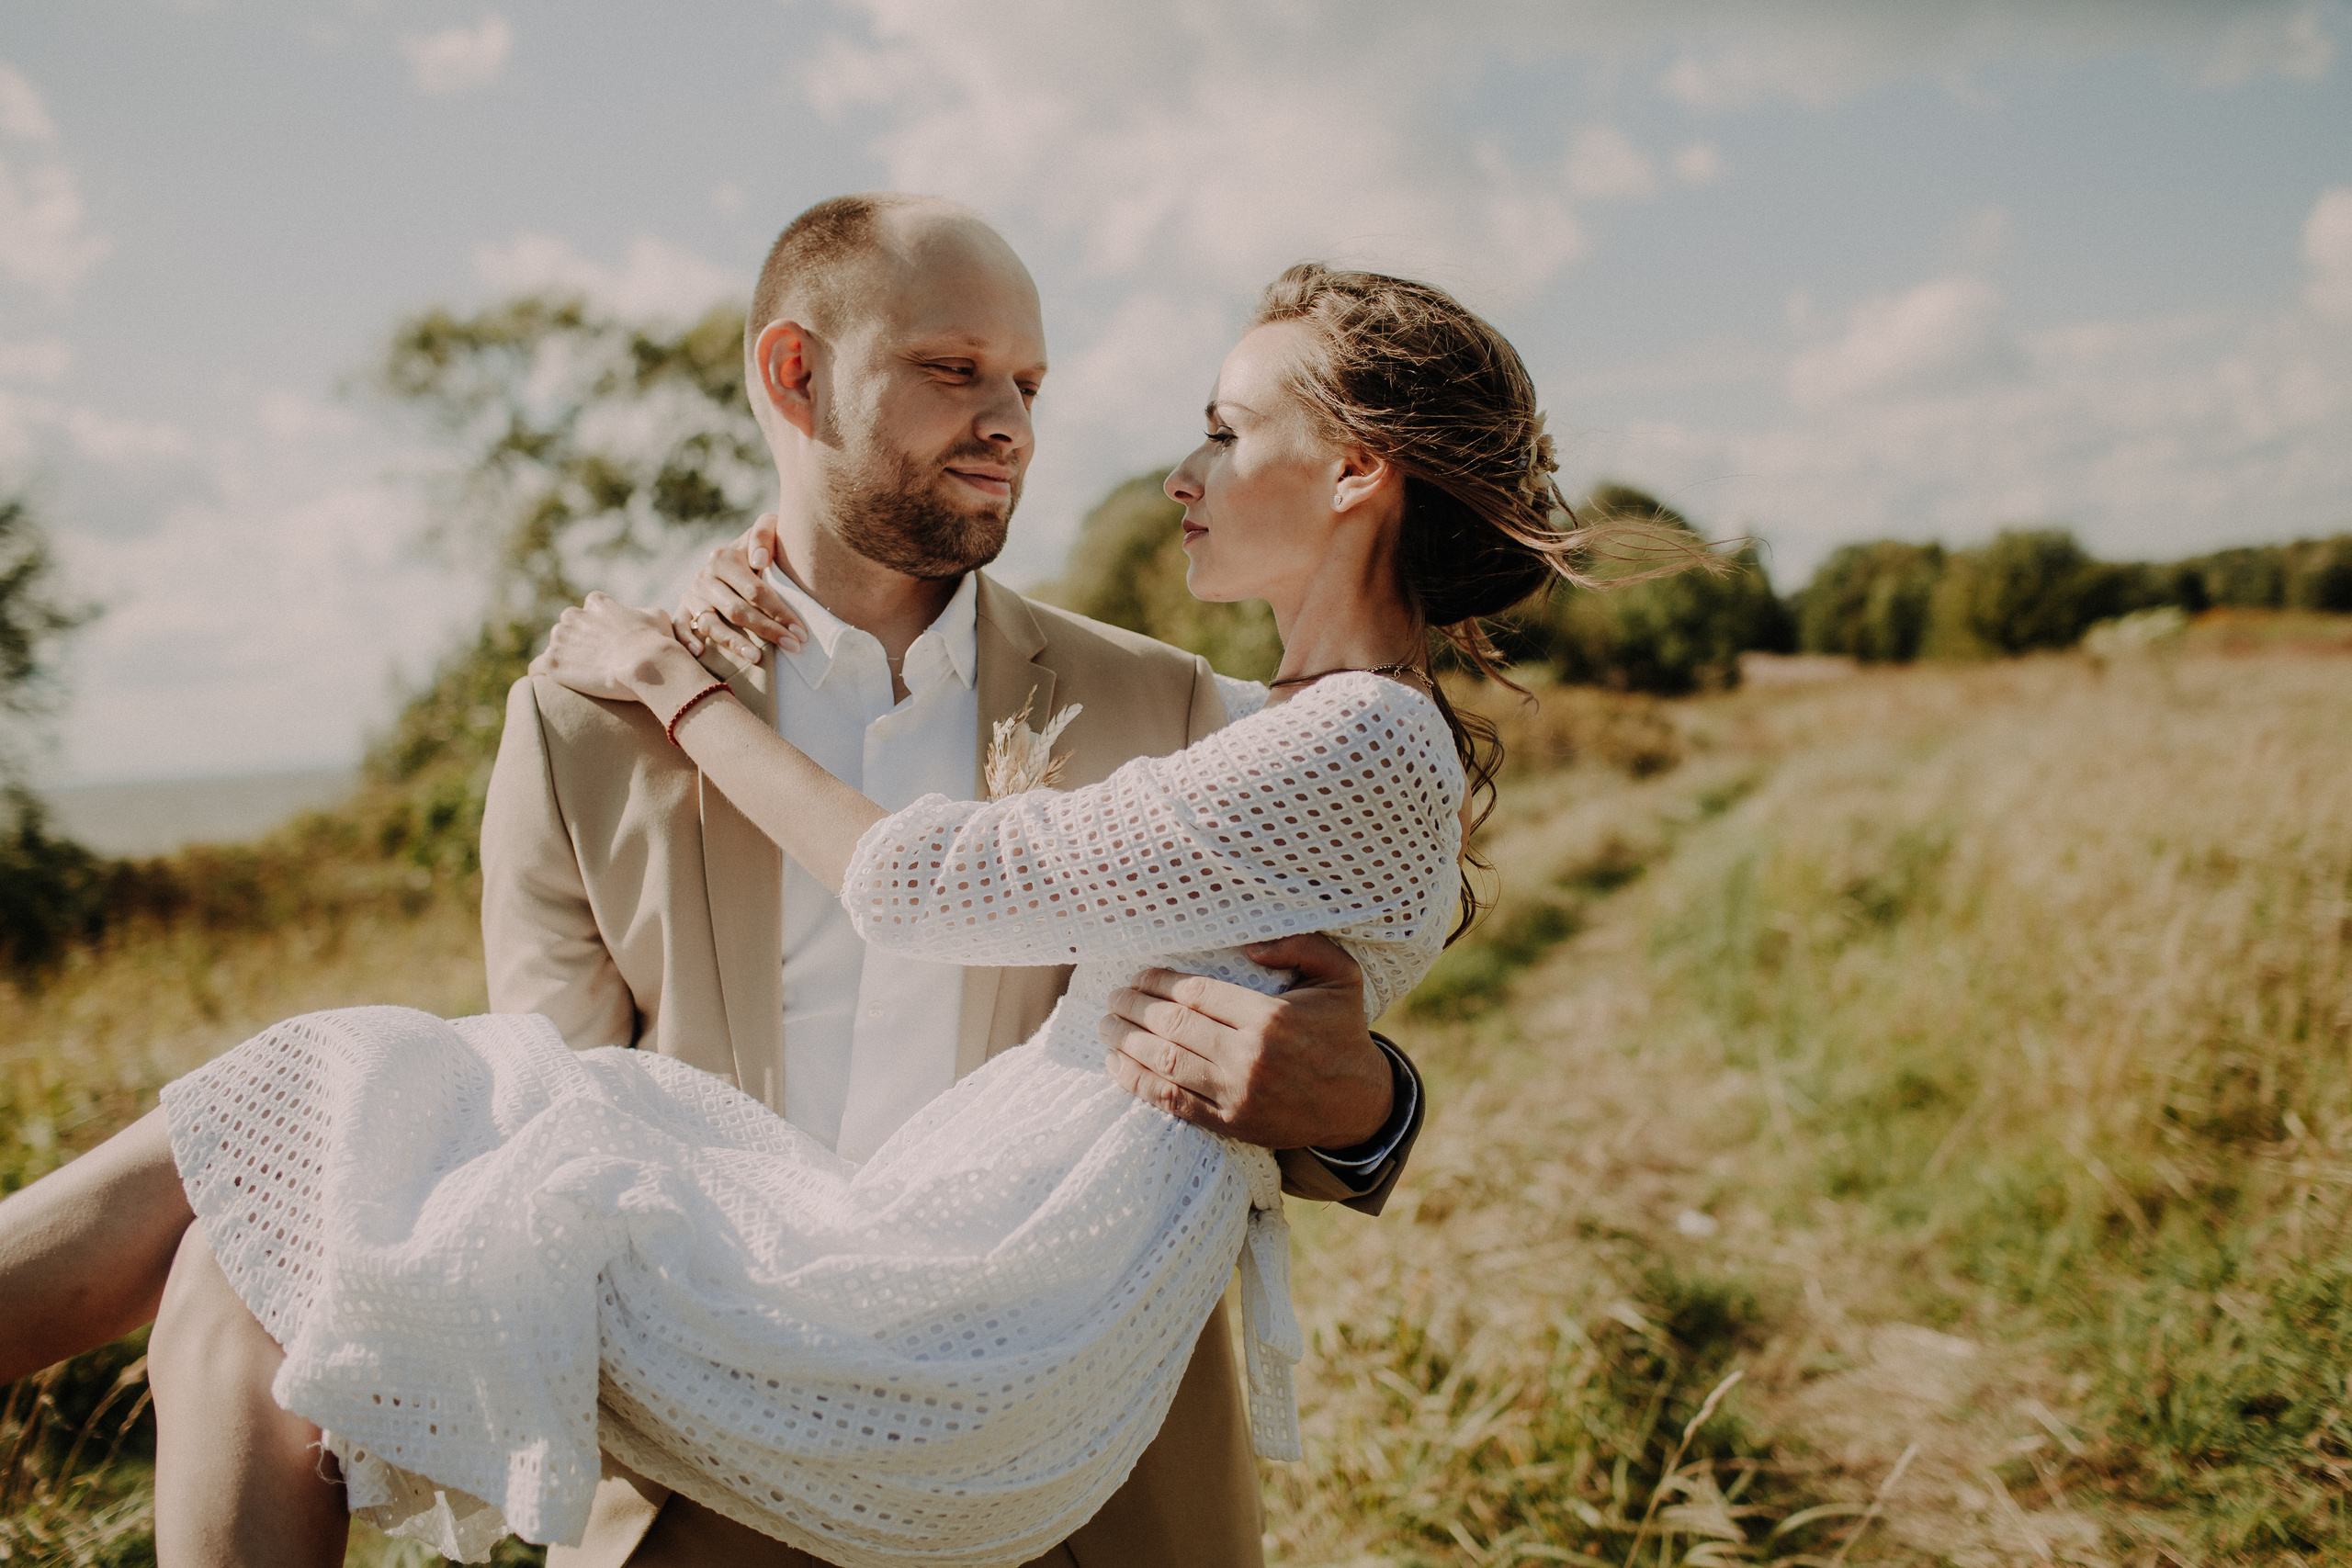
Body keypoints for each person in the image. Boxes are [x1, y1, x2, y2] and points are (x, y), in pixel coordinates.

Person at [0, 202, 1626, 1567]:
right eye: (952, 370)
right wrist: (681, 671)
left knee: (309, 1114)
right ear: (793, 374)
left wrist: (1366, 1108)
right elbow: (548, 1098)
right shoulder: (581, 723)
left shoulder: (1180, 704)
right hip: (720, 1457)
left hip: (1068, 1474)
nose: (1014, 421)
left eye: (1029, 382)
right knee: (274, 1206)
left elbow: (1314, 962)